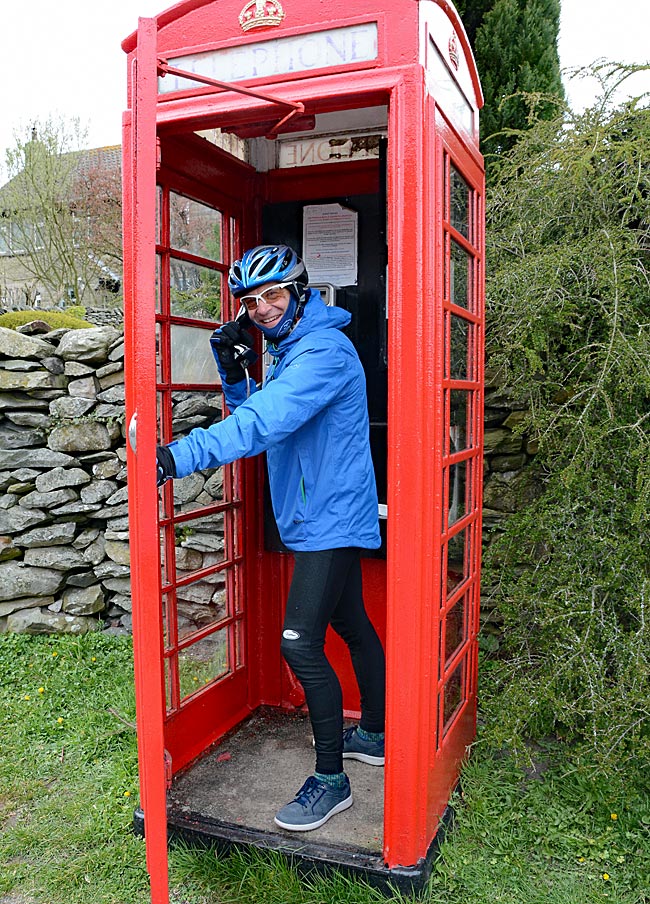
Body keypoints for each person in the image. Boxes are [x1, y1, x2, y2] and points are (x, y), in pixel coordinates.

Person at [156, 244, 386, 832]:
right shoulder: (290, 350)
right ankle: (377, 734)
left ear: (300, 292)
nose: (260, 310)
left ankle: (332, 780)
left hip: (329, 518)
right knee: (352, 624)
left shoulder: (323, 352)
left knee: (299, 644)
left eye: (273, 296)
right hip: (320, 513)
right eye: (250, 301)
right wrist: (236, 375)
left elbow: (262, 424)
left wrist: (176, 457)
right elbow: (261, 416)